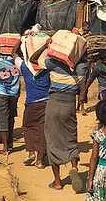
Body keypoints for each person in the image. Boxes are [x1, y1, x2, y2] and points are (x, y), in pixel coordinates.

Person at [30, 37, 89, 192]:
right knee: (71, 138)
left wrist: (45, 45)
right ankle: (74, 167)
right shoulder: (83, 66)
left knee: (52, 140)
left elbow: (33, 60)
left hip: (54, 103)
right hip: (69, 104)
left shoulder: (53, 63)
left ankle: (57, 182)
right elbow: (84, 56)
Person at [14, 40, 50, 168]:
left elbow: (13, 52)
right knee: (43, 131)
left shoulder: (24, 66)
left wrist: (21, 39)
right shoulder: (47, 67)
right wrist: (45, 45)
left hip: (31, 104)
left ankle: (31, 153)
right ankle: (40, 161)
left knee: (28, 126)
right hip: (46, 103)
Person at [79, 50, 106, 115]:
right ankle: (104, 122)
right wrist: (83, 93)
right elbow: (90, 80)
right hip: (104, 90)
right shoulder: (97, 68)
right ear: (101, 60)